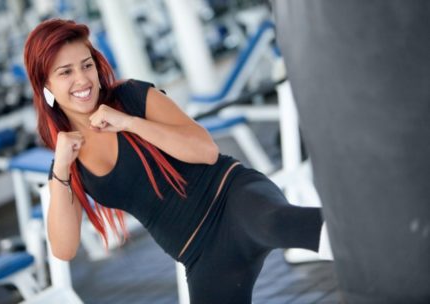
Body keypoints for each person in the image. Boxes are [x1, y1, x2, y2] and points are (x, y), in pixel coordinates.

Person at [24, 18, 325, 304]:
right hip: (200, 253)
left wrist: (129, 123)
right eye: (65, 72)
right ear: (46, 85)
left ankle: (371, 236)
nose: (82, 79)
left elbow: (206, 151)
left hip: (233, 199)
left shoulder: (131, 97)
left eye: (86, 65)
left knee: (287, 225)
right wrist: (61, 168)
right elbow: (64, 249)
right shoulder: (67, 164)